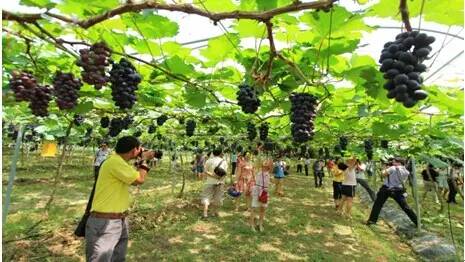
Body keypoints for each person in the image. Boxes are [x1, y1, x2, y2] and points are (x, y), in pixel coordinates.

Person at [86, 136, 155, 262]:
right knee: (101, 259)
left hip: (118, 220)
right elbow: (139, 180)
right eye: (139, 149)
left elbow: (134, 180)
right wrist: (144, 160)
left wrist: (140, 160)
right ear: (134, 150)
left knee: (118, 258)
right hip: (105, 222)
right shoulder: (115, 162)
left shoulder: (119, 162)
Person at [366, 157, 417, 226]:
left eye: (394, 162)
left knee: (378, 204)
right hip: (398, 190)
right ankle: (417, 221)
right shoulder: (406, 172)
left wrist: (384, 168)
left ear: (399, 162)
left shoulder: (392, 168)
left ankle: (372, 221)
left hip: (386, 189)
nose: (393, 163)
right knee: (405, 207)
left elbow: (383, 174)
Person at [201, 147, 228, 218]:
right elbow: (225, 174)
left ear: (213, 153)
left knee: (206, 197)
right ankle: (215, 212)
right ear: (220, 153)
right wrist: (219, 179)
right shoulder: (224, 161)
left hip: (209, 182)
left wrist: (210, 176)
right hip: (220, 183)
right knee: (218, 198)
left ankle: (205, 213)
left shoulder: (208, 161)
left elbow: (205, 171)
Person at [250, 159, 273, 232]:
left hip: (265, 193)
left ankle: (260, 224)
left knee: (262, 209)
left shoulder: (268, 174)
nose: (265, 167)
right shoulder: (258, 172)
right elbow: (256, 164)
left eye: (266, 166)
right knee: (253, 209)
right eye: (263, 165)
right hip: (257, 192)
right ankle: (252, 225)